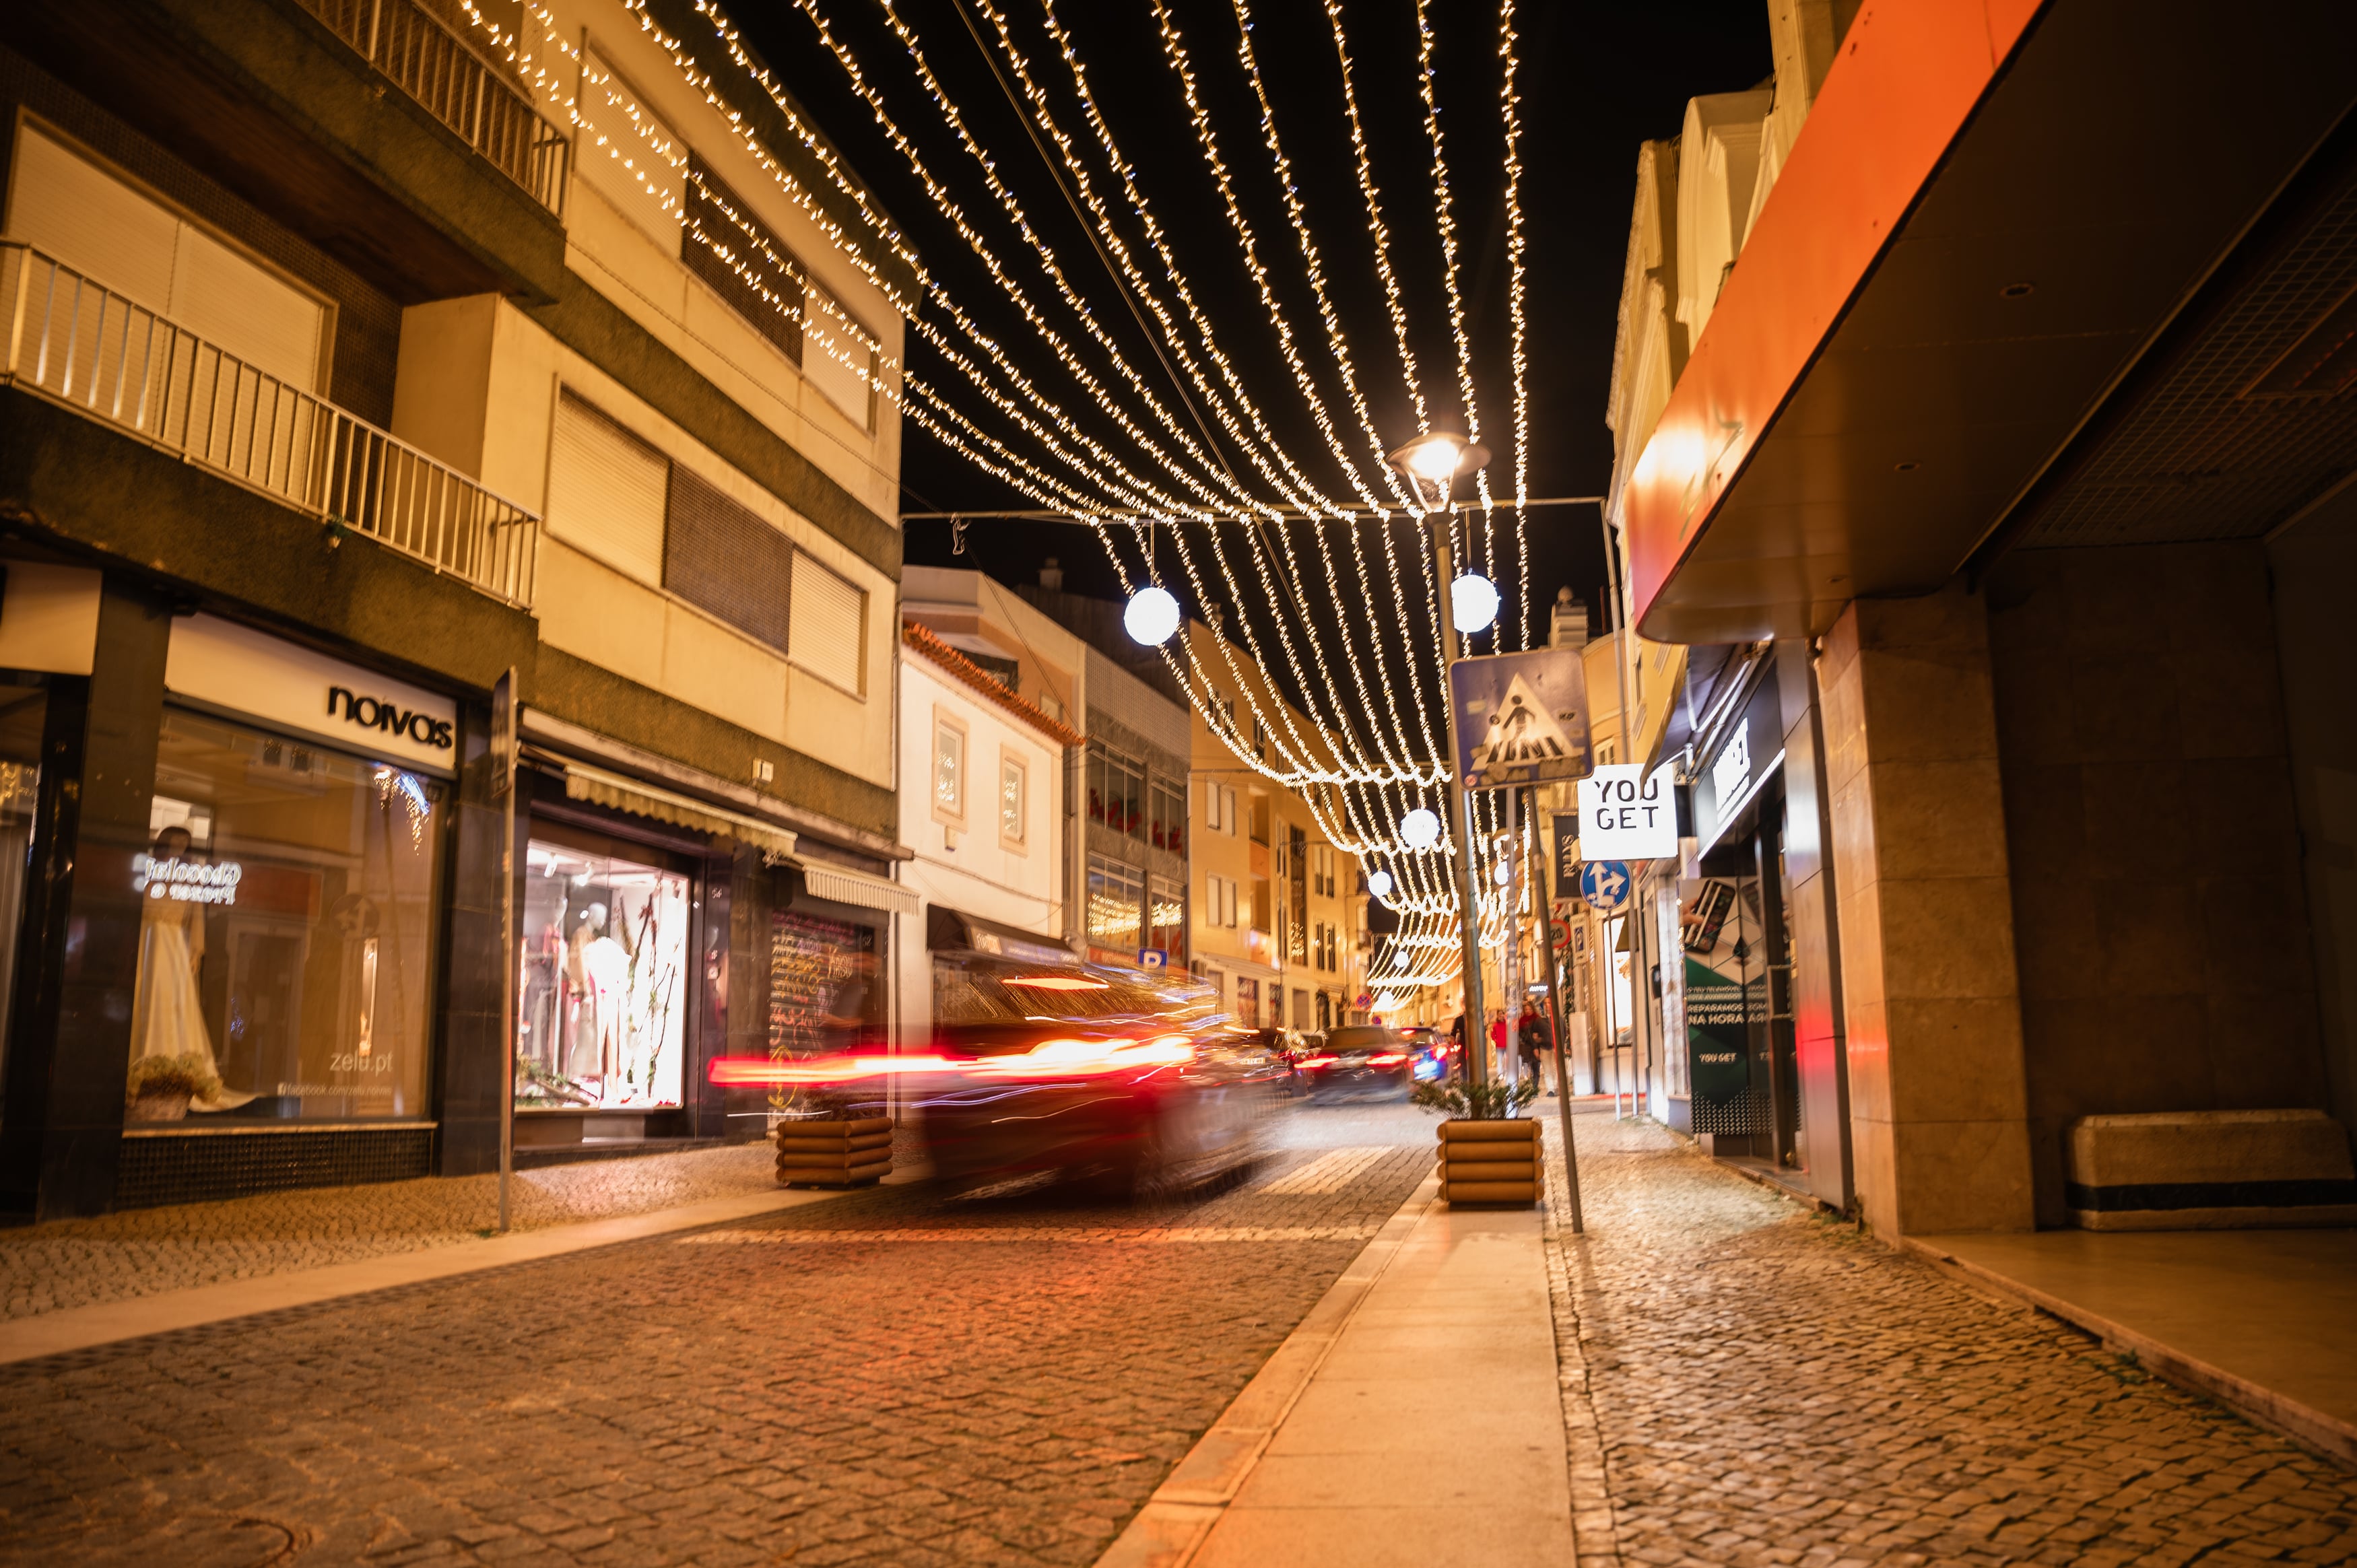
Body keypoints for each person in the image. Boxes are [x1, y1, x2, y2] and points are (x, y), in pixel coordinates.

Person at [819, 949, 879, 1052]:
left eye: (863, 961)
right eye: (857, 961)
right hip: (835, 1045)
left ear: (873, 963)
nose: (857, 965)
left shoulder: (873, 989)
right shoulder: (853, 984)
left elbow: (863, 1020)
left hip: (851, 1048)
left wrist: (837, 1022)